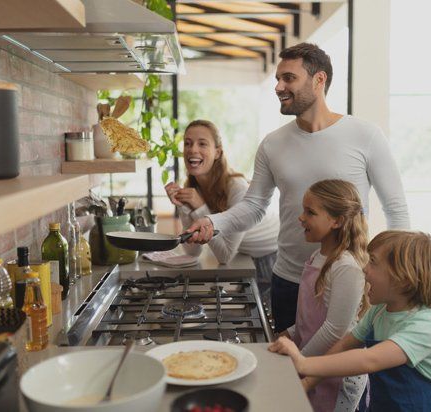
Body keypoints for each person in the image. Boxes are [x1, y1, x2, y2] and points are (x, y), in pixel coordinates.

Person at [184, 42, 410, 332]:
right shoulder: (272, 144)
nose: (278, 86)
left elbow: (396, 209)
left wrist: (395, 271)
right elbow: (254, 206)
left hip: (349, 281)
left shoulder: (365, 135)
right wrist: (211, 222)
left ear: (319, 80)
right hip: (289, 280)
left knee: (345, 374)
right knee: (288, 371)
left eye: (289, 78)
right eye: (278, 78)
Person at [269, 231, 431, 412]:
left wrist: (303, 363)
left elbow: (370, 359)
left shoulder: (425, 327)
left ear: (404, 280)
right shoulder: (378, 311)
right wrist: (308, 381)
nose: (365, 268)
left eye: (373, 262)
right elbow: (343, 345)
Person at [165, 119, 279, 304]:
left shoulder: (236, 187)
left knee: (268, 327)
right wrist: (183, 205)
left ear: (217, 152)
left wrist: (201, 207)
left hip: (270, 258)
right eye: (187, 143)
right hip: (245, 255)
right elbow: (192, 251)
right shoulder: (195, 188)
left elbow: (225, 256)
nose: (192, 149)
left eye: (202, 143)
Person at [284, 179, 369, 412]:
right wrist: (287, 334)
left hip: (336, 374)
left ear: (337, 221)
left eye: (310, 212)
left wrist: (300, 361)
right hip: (313, 363)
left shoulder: (346, 267)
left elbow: (335, 330)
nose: (301, 218)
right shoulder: (315, 258)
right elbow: (309, 317)